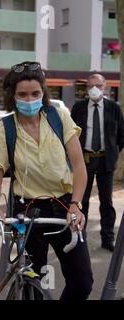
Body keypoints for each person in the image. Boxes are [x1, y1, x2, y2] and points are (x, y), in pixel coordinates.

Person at [0, 61, 93, 300]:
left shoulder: (59, 117)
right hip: (28, 213)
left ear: (43, 93)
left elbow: (79, 167)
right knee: (33, 284)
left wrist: (76, 205)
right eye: (22, 94)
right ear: (12, 96)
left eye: (35, 93)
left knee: (83, 282)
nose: (29, 99)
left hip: (64, 207)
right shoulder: (4, 130)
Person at [70, 74, 124, 252]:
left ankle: (108, 238)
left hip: (105, 161)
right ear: (86, 88)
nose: (95, 89)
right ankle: (79, 236)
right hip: (84, 160)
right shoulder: (78, 108)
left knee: (106, 201)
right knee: (81, 200)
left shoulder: (113, 108)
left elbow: (121, 134)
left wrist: (113, 153)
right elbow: (70, 134)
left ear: (105, 87)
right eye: (91, 86)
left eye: (98, 85)